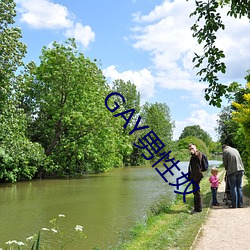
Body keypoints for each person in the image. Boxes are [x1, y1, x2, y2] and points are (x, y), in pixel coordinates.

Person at [188, 143, 204, 214]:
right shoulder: (194, 155)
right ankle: (197, 208)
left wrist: (194, 152)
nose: (191, 150)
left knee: (196, 192)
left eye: (192, 148)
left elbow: (198, 158)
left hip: (196, 176)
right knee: (196, 192)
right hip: (194, 176)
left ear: (195, 148)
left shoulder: (197, 154)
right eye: (190, 149)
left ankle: (198, 209)